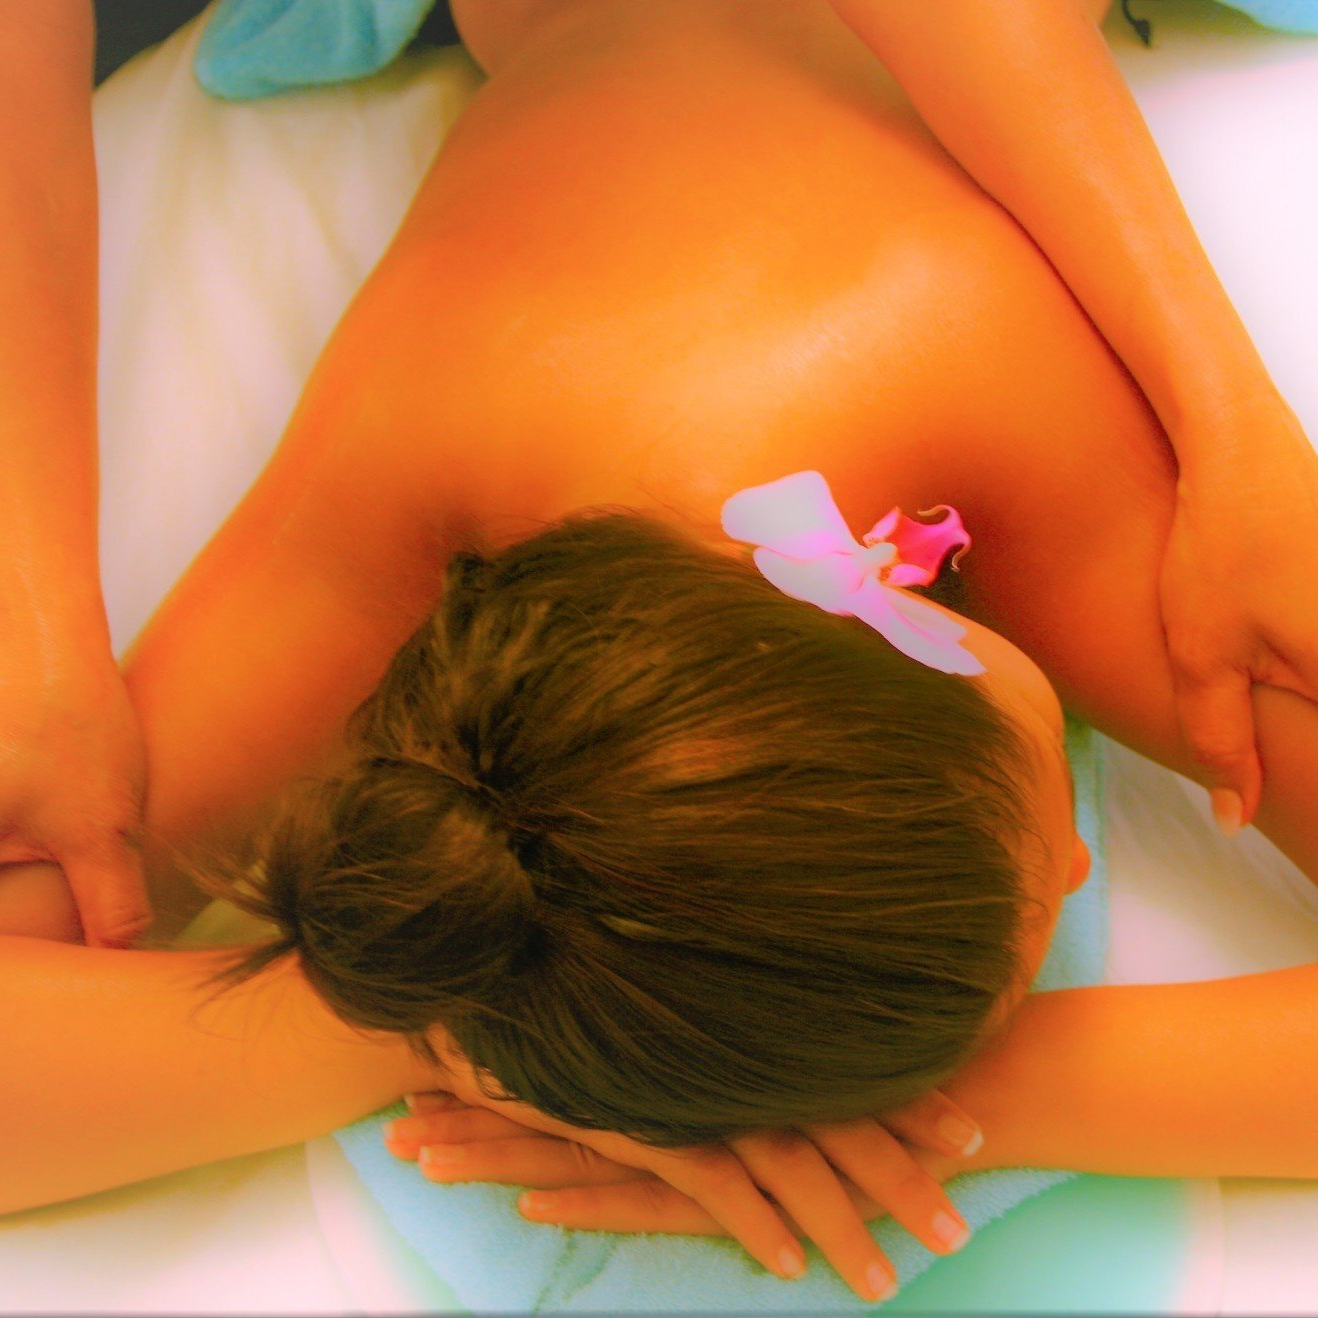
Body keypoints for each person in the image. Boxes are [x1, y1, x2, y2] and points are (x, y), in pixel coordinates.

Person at [5, 0, 1318, 1304]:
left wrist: (968, 1101)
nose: (1083, 857)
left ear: (910, 631)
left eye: (1046, 864)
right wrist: (448, 1022)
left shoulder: (961, 379)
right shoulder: (427, 491)